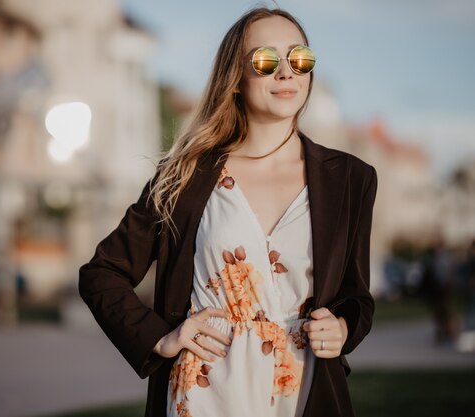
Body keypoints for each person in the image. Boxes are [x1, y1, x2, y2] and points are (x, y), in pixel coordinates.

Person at [79, 7, 378, 417]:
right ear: (235, 77)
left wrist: (343, 327)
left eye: (299, 58)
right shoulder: (184, 175)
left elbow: (355, 295)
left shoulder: (351, 178)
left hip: (304, 389)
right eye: (266, 60)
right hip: (206, 391)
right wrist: (159, 339)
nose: (286, 72)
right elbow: (102, 273)